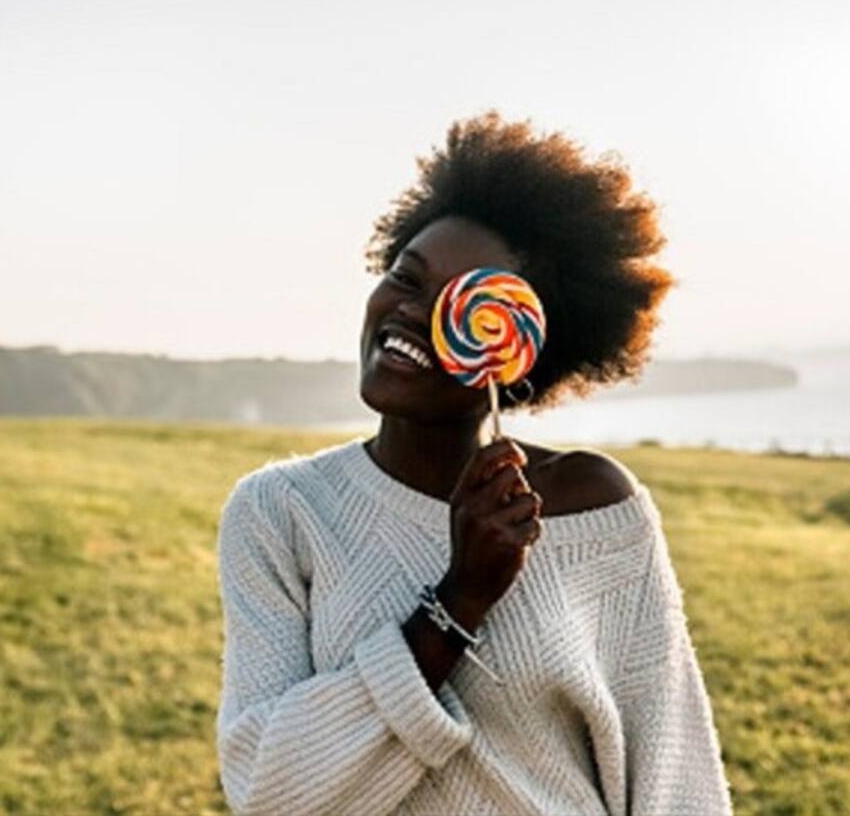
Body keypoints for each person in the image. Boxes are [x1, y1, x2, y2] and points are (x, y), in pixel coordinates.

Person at [215, 113, 734, 815]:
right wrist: (460, 599)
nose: (411, 315)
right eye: (407, 276)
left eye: (464, 302)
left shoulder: (597, 506)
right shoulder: (280, 511)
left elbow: (674, 777)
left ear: (520, 354)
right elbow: (267, 792)